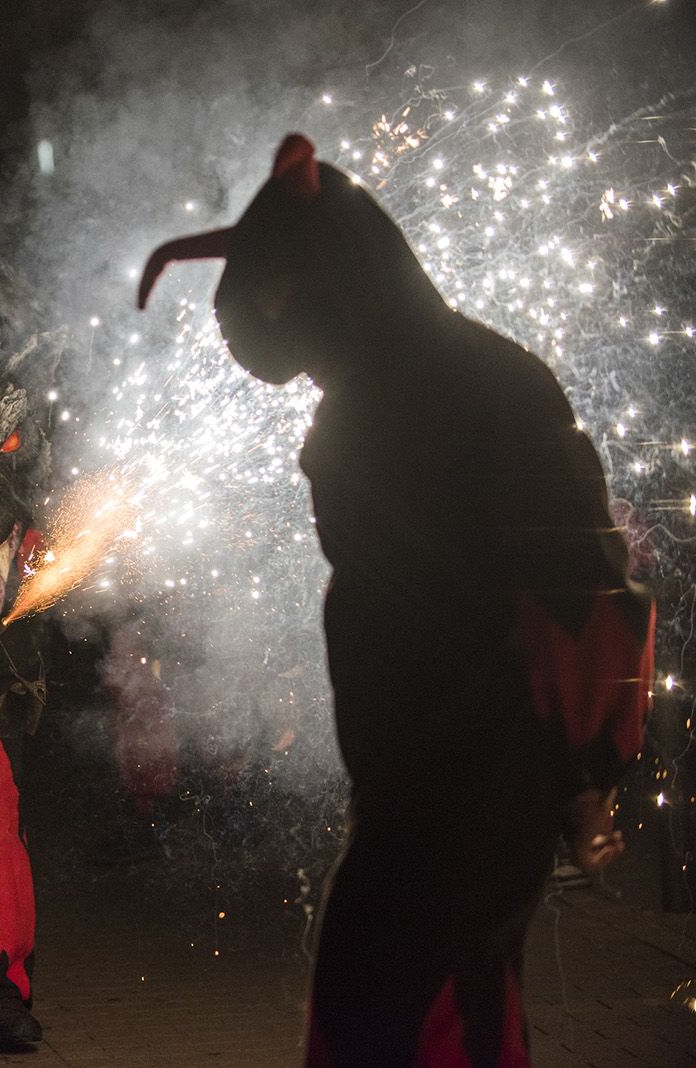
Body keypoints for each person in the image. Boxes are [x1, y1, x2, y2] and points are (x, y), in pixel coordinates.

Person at [137, 135, 654, 1066]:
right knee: (402, 1007)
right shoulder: (370, 392)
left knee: (423, 1015)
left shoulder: (482, 386)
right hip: (415, 779)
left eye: (271, 290)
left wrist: (589, 781)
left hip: (479, 778)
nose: (244, 321)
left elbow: (582, 591)